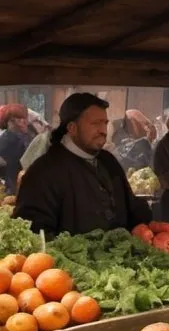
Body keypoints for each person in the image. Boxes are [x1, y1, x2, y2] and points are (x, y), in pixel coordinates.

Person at [16, 93, 152, 236]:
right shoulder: (43, 173)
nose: (103, 130)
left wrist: (150, 224)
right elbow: (34, 232)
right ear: (72, 128)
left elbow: (131, 207)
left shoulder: (108, 161)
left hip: (120, 256)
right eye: (95, 123)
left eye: (105, 123)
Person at [0, 104, 30, 195]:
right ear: (10, 121)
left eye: (24, 118)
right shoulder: (7, 138)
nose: (23, 121)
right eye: (19, 118)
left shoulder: (25, 135)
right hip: (13, 184)